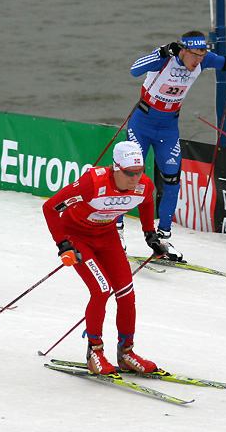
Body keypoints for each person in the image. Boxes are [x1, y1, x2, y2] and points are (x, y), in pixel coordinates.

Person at [42, 141, 170, 375]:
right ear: (115, 168)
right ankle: (95, 351)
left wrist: (150, 234)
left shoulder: (143, 185)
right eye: (129, 173)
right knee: (101, 289)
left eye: (139, 172)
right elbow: (51, 207)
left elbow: (147, 202)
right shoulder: (92, 183)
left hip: (107, 237)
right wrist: (63, 245)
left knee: (126, 292)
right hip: (77, 235)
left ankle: (127, 353)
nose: (135, 178)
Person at [120, 30, 226, 262]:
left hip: (168, 128)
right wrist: (160, 53)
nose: (198, 61)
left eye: (202, 56)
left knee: (172, 181)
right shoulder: (166, 56)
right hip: (143, 123)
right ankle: (116, 232)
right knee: (131, 175)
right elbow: (134, 69)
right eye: (195, 56)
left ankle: (162, 239)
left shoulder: (204, 58)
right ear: (183, 50)